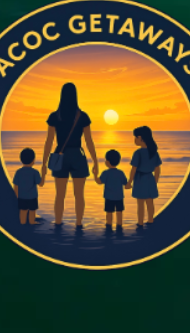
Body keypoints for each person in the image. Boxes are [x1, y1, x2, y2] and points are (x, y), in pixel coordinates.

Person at [41, 81, 98, 227]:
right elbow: (89, 141)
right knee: (79, 195)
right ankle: (79, 224)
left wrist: (44, 163)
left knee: (60, 195)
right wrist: (95, 161)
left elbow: (49, 141)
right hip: (78, 156)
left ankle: (58, 222)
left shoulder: (55, 116)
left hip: (60, 156)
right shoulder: (82, 116)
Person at [129, 126, 162, 227]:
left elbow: (133, 168)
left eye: (136, 137)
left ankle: (140, 222)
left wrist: (129, 181)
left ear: (141, 138)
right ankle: (150, 220)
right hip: (150, 178)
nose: (135, 139)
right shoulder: (153, 152)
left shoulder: (138, 153)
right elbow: (157, 168)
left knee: (140, 203)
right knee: (150, 201)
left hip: (140, 178)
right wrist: (155, 181)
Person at [96, 150, 128, 232]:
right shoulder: (120, 173)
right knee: (119, 212)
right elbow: (125, 182)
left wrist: (95, 175)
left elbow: (99, 182)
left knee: (109, 213)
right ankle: (119, 226)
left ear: (108, 162)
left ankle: (109, 226)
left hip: (109, 197)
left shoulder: (106, 173)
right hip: (119, 197)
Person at [12, 148, 43, 226]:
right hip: (32, 197)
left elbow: (16, 185)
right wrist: (43, 174)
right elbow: (40, 184)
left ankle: (22, 222)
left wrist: (16, 196)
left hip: (22, 197)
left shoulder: (18, 172)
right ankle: (32, 222)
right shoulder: (35, 172)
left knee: (23, 211)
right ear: (33, 160)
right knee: (32, 210)